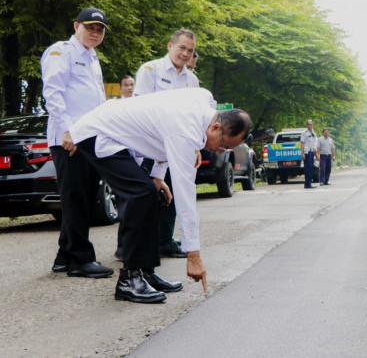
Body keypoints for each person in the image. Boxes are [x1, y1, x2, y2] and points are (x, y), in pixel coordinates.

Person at [64, 88, 251, 303]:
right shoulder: (186, 130)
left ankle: (145, 272)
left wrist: (157, 177)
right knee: (140, 194)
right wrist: (193, 255)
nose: (220, 151)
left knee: (149, 191)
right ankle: (129, 280)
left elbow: (163, 136)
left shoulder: (204, 100)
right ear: (215, 127)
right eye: (224, 145)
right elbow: (185, 194)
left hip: (122, 137)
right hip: (100, 134)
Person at [40, 7, 113, 278]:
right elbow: (53, 93)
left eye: (100, 29)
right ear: (76, 26)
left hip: (89, 137)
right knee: (76, 198)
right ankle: (81, 259)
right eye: (90, 27)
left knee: (81, 196)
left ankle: (64, 256)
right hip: (69, 139)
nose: (95, 32)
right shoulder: (61, 52)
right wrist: (66, 131)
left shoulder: (92, 58)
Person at [133, 29, 199, 258]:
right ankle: (129, 246)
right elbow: (139, 108)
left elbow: (193, 116)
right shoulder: (151, 70)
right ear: (170, 46)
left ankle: (164, 240)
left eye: (190, 50)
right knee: (142, 198)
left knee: (172, 194)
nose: (185, 54)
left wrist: (194, 147)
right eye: (182, 48)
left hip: (176, 147)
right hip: (149, 145)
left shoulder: (191, 80)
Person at [300, 119, 319, 189]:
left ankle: (308, 183)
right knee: (307, 169)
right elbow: (302, 143)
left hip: (312, 152)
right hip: (307, 152)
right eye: (309, 125)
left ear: (312, 125)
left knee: (311, 168)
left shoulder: (313, 132)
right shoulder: (304, 133)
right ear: (306, 125)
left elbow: (314, 144)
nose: (310, 126)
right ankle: (308, 183)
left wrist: (316, 154)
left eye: (311, 125)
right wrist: (302, 153)